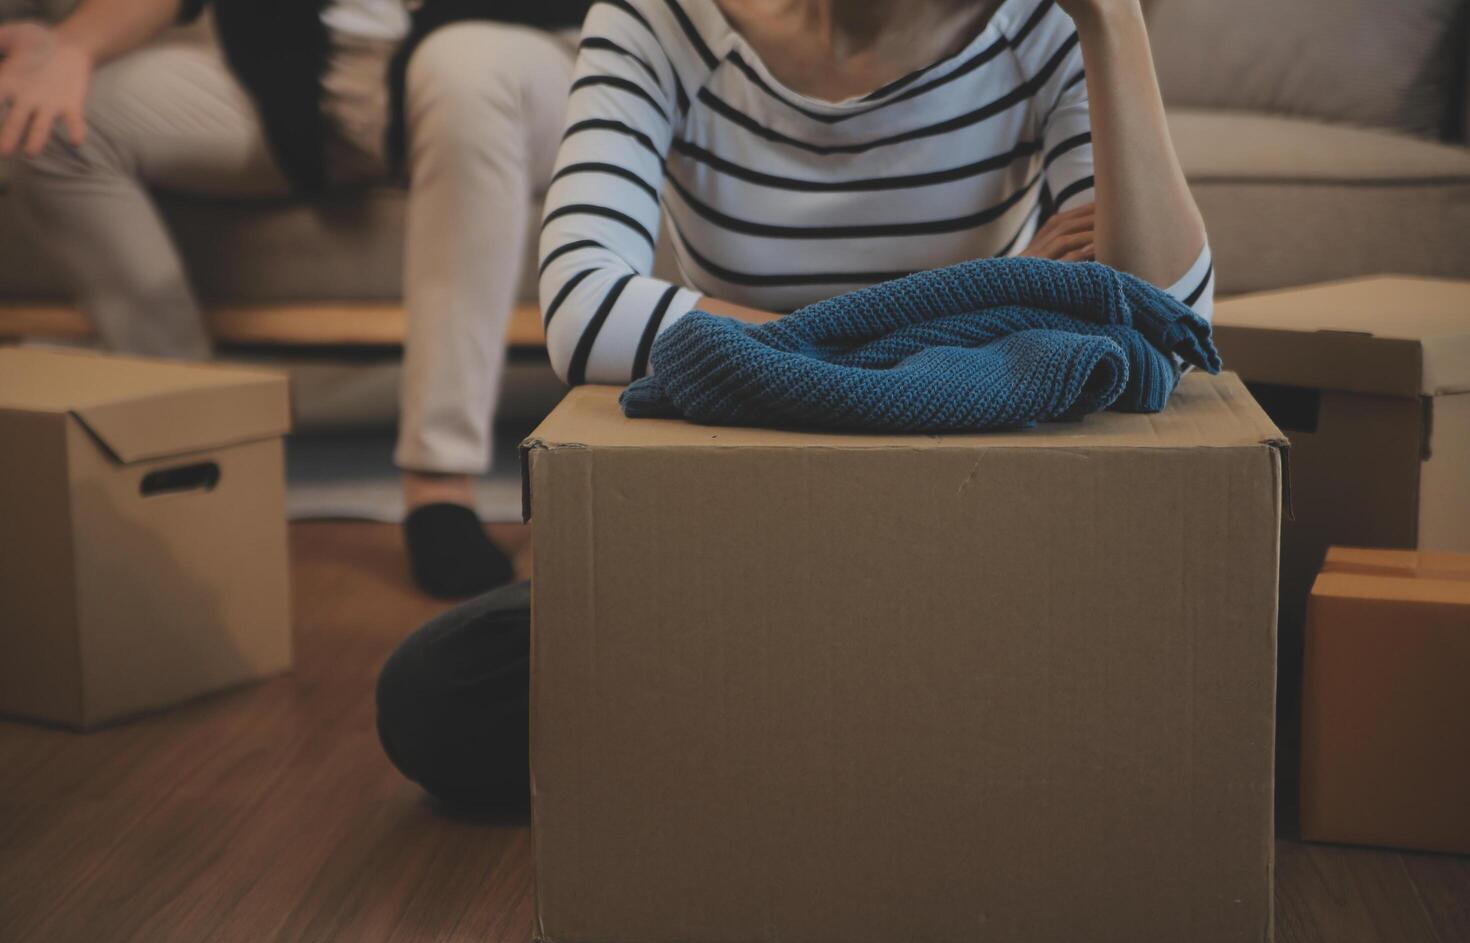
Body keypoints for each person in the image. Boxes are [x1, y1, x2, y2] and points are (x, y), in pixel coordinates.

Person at [376, 0, 1215, 812]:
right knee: (435, 695)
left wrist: (1113, 19)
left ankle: (788, 754)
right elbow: (585, 313)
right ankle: (870, 754)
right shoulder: (658, 17)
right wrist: (973, 317)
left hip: (961, 541)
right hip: (736, 539)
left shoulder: (1046, 27)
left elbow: (1166, 339)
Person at [0, 0, 588, 598]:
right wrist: (68, 47)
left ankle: (440, 481)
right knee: (43, 121)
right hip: (301, 81)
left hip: (508, 53)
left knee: (463, 68)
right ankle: (198, 437)